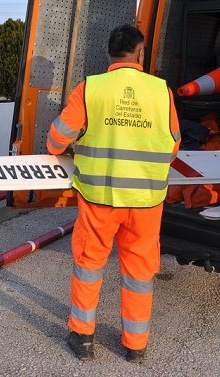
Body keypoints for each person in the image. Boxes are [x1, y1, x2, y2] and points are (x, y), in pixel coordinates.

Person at [47, 24, 180, 363]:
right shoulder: (161, 91)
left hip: (100, 198)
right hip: (146, 201)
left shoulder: (90, 88)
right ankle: (135, 347)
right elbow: (174, 145)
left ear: (108, 54)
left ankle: (83, 338)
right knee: (138, 272)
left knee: (89, 264)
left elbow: (56, 141)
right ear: (140, 53)